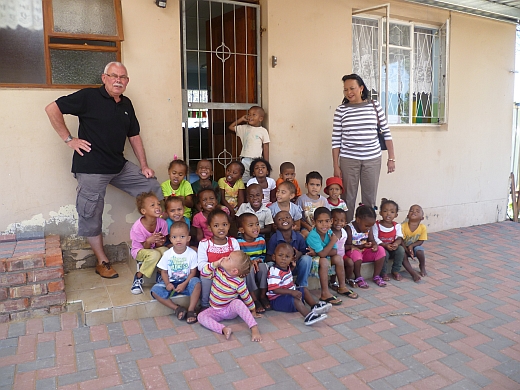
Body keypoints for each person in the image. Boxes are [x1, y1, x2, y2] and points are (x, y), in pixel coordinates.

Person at [45, 61, 161, 279]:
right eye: (114, 76)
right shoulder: (88, 97)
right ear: (104, 78)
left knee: (152, 187)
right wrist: (68, 139)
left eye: (123, 77)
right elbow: (52, 108)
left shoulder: (126, 103)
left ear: (127, 81)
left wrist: (144, 165)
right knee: (91, 213)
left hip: (118, 165)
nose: (118, 80)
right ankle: (102, 261)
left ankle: (155, 241)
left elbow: (133, 135)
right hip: (91, 168)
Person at [331, 73, 396, 223]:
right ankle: (346, 230)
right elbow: (335, 141)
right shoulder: (341, 110)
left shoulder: (374, 106)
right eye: (345, 89)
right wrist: (336, 165)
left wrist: (391, 158)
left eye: (352, 88)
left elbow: (386, 133)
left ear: (361, 88)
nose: (349, 92)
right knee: (347, 197)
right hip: (348, 160)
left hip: (372, 159)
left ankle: (367, 230)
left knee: (369, 197)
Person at [198, 251, 262, 342]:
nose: (225, 257)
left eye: (229, 258)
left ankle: (254, 328)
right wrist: (215, 264)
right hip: (214, 310)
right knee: (201, 317)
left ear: (234, 271)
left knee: (238, 302)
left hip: (229, 310)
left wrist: (253, 310)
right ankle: (223, 329)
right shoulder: (218, 271)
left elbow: (247, 298)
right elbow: (204, 273)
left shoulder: (239, 282)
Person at [267, 243, 331, 325]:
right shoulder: (274, 271)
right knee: (295, 300)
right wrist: (291, 292)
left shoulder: (286, 267)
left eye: (287, 257)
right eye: (280, 255)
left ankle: (314, 306)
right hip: (276, 300)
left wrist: (292, 268)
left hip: (286, 294)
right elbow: (274, 289)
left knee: (303, 289)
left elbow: (286, 277)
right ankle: (308, 316)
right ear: (274, 257)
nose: (283, 259)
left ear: (292, 259)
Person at [151, 222, 201, 324]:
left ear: (188, 238)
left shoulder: (192, 253)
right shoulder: (167, 254)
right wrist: (167, 283)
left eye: (182, 236)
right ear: (171, 239)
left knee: (197, 282)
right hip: (172, 283)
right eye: (175, 237)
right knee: (154, 290)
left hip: (186, 283)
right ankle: (177, 308)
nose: (178, 240)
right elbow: (163, 272)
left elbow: (193, 272)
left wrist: (184, 284)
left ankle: (191, 310)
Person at [197, 209, 240, 309]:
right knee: (204, 275)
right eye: (216, 226)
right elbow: (201, 265)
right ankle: (205, 304)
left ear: (229, 225)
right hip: (212, 273)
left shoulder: (233, 242)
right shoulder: (204, 244)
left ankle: (237, 301)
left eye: (224, 224)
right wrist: (216, 266)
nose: (221, 228)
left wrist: (226, 271)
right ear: (209, 228)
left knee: (242, 273)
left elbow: (238, 261)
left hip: (229, 274)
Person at [306, 207, 348, 305]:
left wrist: (319, 253)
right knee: (324, 261)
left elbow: (334, 251)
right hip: (310, 260)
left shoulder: (329, 232)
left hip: (319, 256)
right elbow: (323, 254)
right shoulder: (313, 235)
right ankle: (324, 293)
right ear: (314, 222)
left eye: (327, 221)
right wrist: (332, 241)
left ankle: (342, 286)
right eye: (320, 222)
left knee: (338, 258)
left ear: (331, 221)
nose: (324, 225)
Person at [129, 192, 168, 295]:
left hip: (153, 250)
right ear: (143, 211)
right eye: (152, 205)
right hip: (140, 250)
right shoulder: (138, 227)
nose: (157, 207)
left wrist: (160, 242)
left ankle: (160, 276)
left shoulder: (162, 223)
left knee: (165, 251)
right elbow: (144, 247)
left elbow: (160, 245)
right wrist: (149, 241)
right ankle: (138, 277)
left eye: (158, 204)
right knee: (155, 254)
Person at [373, 198, 420, 282]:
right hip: (382, 247)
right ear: (380, 213)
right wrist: (384, 245)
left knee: (401, 250)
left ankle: (395, 271)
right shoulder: (377, 225)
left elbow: (399, 238)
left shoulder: (397, 226)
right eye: (385, 211)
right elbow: (375, 238)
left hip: (393, 247)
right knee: (384, 254)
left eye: (392, 212)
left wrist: (396, 244)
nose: (388, 214)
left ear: (396, 215)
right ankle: (383, 273)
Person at [265, 211, 312, 289]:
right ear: (275, 225)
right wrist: (281, 258)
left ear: (293, 222)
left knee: (307, 259)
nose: (284, 220)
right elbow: (268, 257)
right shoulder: (274, 238)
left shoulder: (298, 236)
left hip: (294, 266)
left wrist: (297, 254)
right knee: (269, 265)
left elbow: (304, 252)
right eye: (280, 219)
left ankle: (301, 285)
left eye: (287, 217)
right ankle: (275, 286)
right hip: (280, 269)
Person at [345, 205, 387, 288]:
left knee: (381, 250)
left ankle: (376, 276)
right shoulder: (349, 229)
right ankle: (358, 277)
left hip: (364, 252)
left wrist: (374, 245)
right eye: (367, 226)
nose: (368, 228)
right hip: (353, 253)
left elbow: (372, 240)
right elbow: (347, 246)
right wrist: (362, 246)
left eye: (371, 226)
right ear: (358, 220)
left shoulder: (369, 228)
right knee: (356, 253)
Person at [236, 213, 269, 313]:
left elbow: (263, 256)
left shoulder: (261, 240)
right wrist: (250, 262)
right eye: (251, 225)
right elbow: (239, 259)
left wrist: (259, 261)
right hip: (246, 266)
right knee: (248, 269)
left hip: (258, 266)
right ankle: (253, 298)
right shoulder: (238, 242)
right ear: (242, 230)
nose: (255, 227)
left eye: (257, 224)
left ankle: (262, 295)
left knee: (263, 267)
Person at [228, 106, 270, 183]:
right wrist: (241, 119)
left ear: (260, 119)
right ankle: (245, 193)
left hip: (257, 159)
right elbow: (231, 127)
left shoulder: (263, 131)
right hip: (245, 159)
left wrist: (266, 162)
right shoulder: (244, 128)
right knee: (244, 179)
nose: (250, 116)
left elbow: (265, 146)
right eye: (249, 114)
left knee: (257, 179)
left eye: (254, 115)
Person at [330, 209, 358, 299]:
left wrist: (351, 247)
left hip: (342, 255)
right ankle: (333, 282)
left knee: (350, 262)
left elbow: (343, 245)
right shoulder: (329, 232)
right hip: (331, 256)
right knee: (336, 264)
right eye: (336, 220)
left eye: (342, 221)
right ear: (331, 220)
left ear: (345, 222)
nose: (338, 223)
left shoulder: (344, 232)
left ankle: (348, 278)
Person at [297, 171, 330, 238]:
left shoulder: (323, 200)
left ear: (321, 187)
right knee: (306, 235)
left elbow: (328, 217)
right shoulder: (301, 199)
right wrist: (308, 227)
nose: (314, 187)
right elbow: (297, 218)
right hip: (306, 228)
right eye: (312, 184)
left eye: (317, 185)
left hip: (322, 228)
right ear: (306, 185)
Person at [401, 204, 428, 277]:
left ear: (422, 218)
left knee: (420, 251)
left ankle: (422, 267)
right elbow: (400, 240)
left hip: (414, 247)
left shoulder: (422, 227)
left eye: (417, 211)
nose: (414, 212)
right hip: (403, 247)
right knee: (402, 255)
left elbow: (421, 241)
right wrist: (407, 250)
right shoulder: (403, 226)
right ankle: (412, 272)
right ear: (407, 216)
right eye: (411, 211)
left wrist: (411, 246)